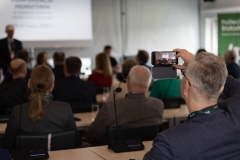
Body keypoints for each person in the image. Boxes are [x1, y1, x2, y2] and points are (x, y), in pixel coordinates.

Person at [144, 49, 240, 159]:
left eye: (184, 74)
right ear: (222, 88)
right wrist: (204, 69)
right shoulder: (237, 117)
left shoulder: (167, 144)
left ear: (186, 88)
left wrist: (196, 64)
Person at [2, 65, 77, 151]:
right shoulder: (65, 108)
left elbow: (7, 145)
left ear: (29, 84)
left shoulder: (17, 111)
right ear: (52, 87)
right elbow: (75, 141)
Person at [86, 66, 164, 144]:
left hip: (113, 153)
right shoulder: (158, 105)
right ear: (150, 84)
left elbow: (93, 134)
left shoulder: (110, 107)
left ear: (128, 80)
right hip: (147, 152)